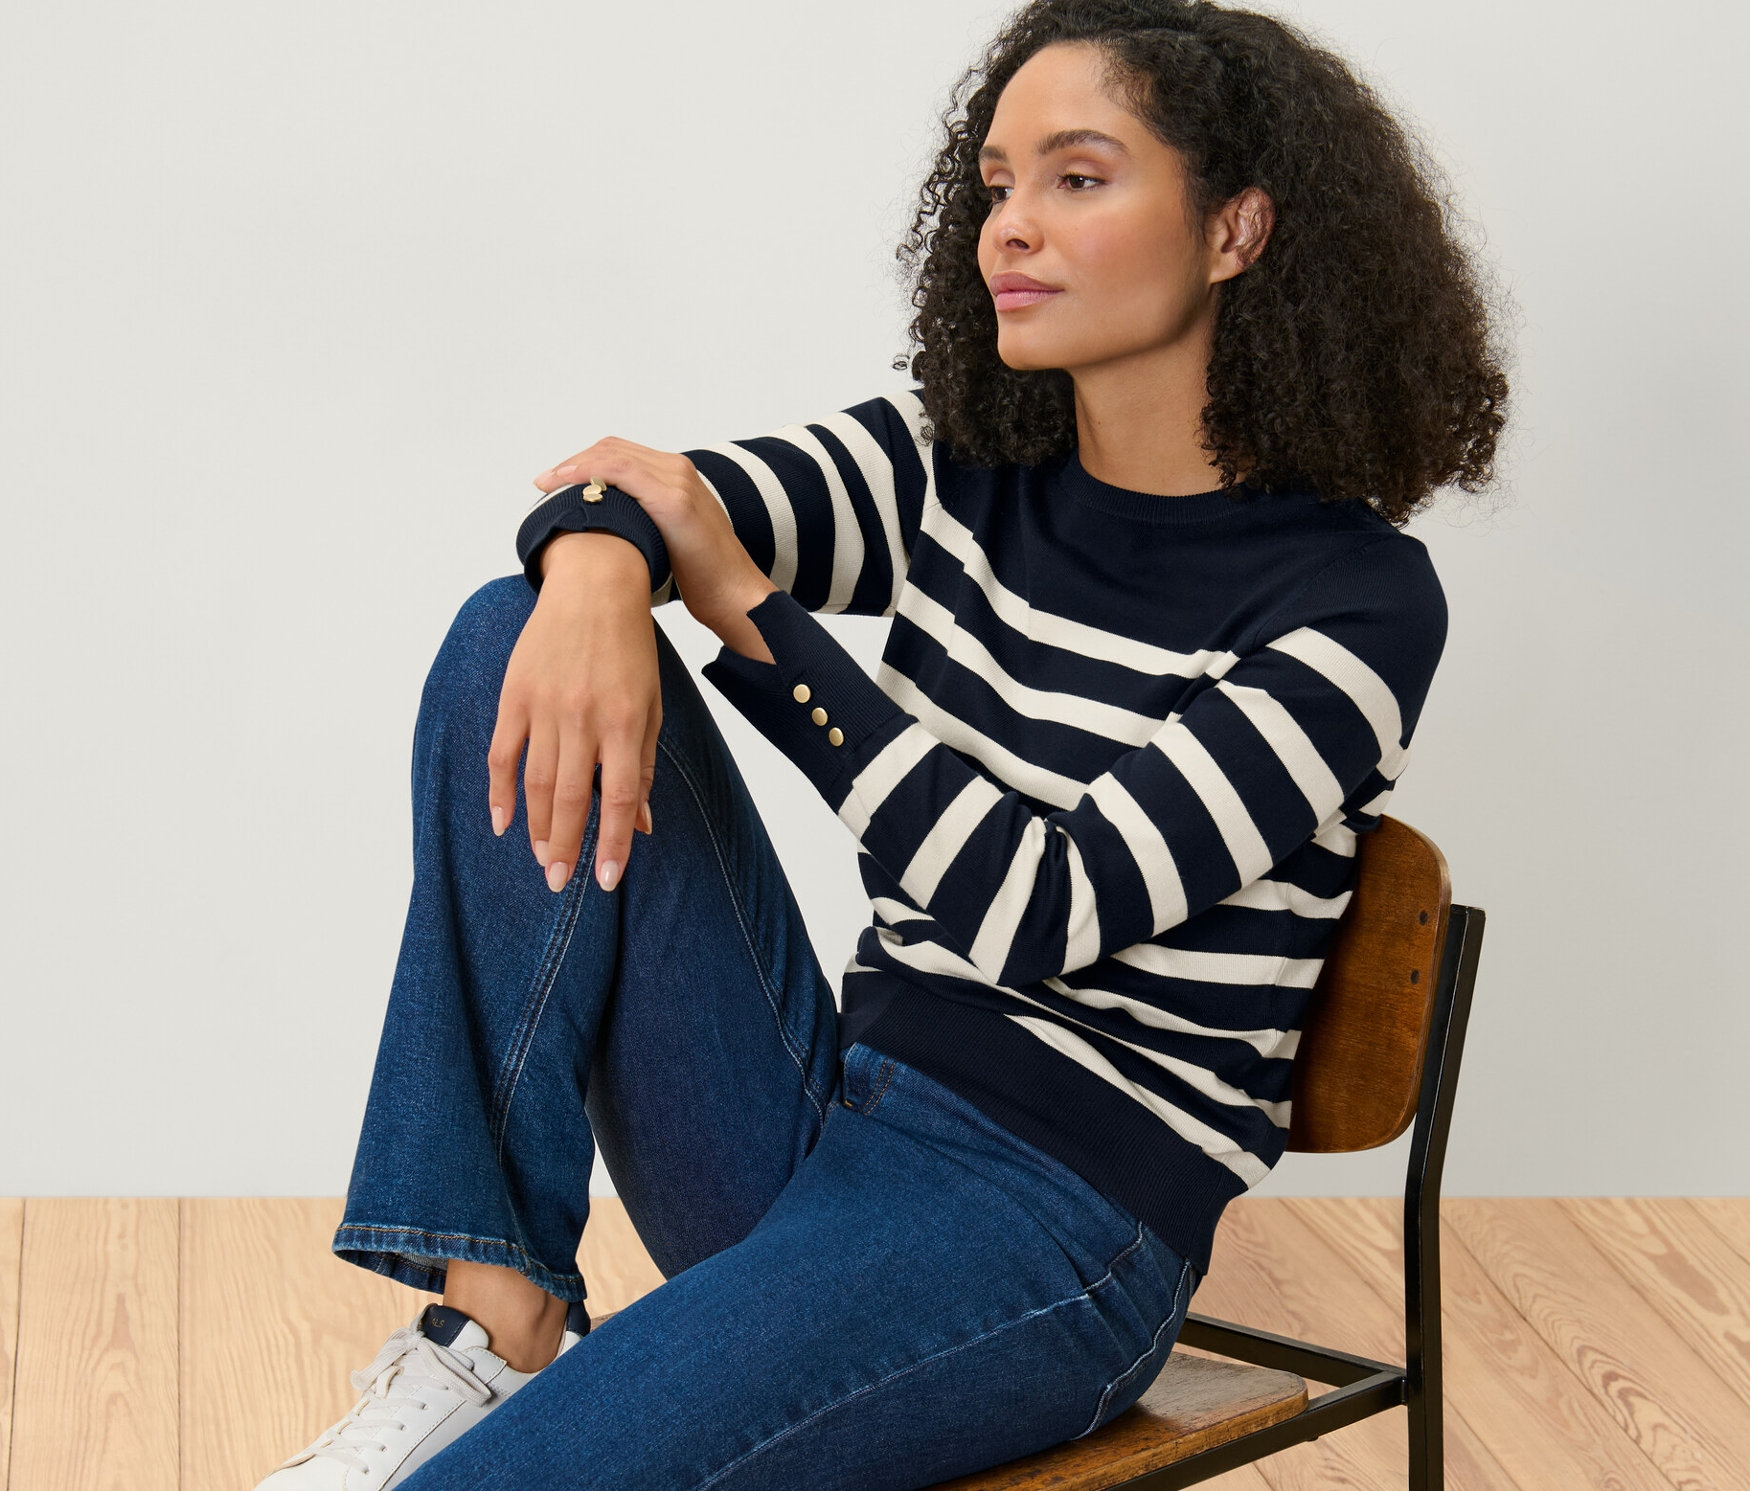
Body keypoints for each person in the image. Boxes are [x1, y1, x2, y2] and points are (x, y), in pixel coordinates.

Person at [255, 0, 1509, 1486]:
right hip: (816, 1111)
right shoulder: (952, 468)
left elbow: (1034, 909)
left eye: (1078, 178)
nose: (1009, 230)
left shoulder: (1354, 605)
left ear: (1236, 229)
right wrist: (601, 568)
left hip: (1051, 1227)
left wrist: (738, 603)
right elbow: (641, 497)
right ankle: (496, 1314)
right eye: (994, 186)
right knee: (502, 632)